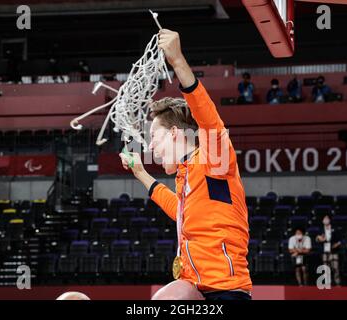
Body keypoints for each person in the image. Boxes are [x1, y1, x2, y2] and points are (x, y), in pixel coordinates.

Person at [58, 29, 252, 301]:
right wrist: (141, 173)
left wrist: (178, 62)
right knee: (169, 295)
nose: (150, 147)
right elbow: (179, 210)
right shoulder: (188, 177)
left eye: (154, 137)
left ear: (174, 134)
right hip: (197, 288)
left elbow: (208, 117)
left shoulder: (213, 159)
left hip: (226, 292)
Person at [316, 215, 341, 286]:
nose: (325, 220)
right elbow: (317, 239)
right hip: (324, 251)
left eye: (327, 218)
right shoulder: (320, 229)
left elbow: (339, 240)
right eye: (324, 219)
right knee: (326, 268)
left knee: (335, 267)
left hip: (333, 251)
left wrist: (336, 244)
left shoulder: (334, 229)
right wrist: (319, 239)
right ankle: (327, 283)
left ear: (329, 220)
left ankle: (337, 283)